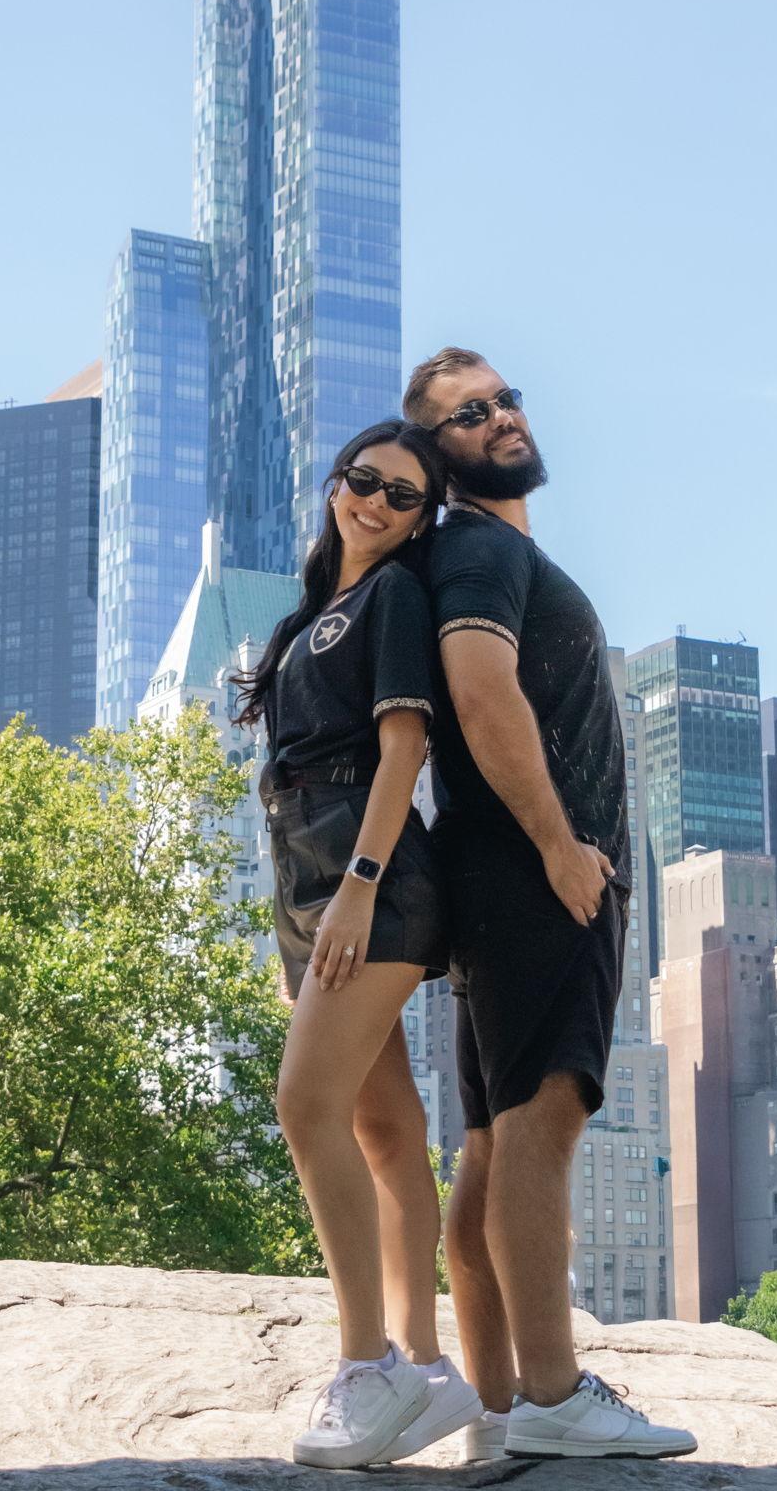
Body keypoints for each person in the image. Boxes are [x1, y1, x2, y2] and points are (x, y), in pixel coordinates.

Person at [404, 348, 698, 1464]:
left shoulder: (485, 550)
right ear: (439, 453)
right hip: (534, 878)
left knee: (488, 1146)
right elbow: (480, 694)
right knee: (541, 1124)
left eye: (505, 398)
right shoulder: (481, 549)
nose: (501, 416)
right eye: (469, 413)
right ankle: (554, 1393)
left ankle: (499, 1405)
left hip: (500, 882)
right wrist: (559, 847)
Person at [231, 420, 483, 1469]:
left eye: (402, 495)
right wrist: (293, 924)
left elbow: (402, 749)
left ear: (421, 520)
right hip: (309, 878)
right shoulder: (308, 616)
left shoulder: (391, 599)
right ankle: (423, 1364)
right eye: (363, 480)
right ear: (337, 483)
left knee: (305, 1106)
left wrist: (357, 889)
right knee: (384, 1126)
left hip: (367, 878)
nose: (374, 503)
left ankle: (366, 1364)